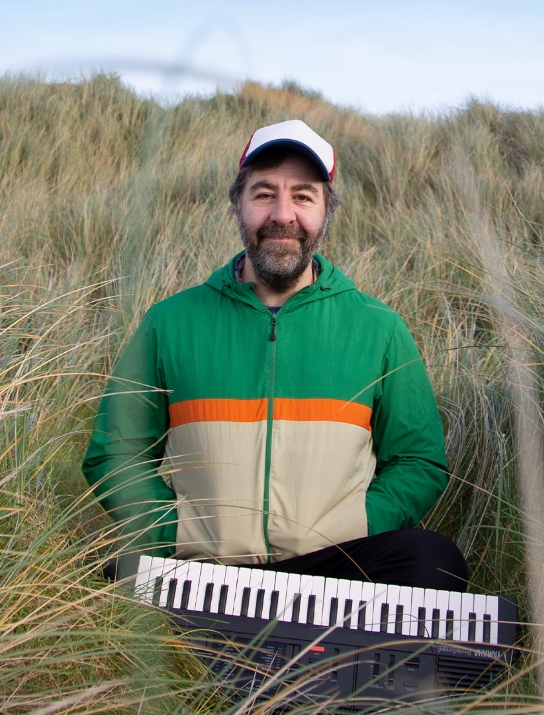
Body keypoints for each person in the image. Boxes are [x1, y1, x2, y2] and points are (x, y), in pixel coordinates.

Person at [83, 119, 467, 591]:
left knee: (436, 560)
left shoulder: (379, 328)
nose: (283, 214)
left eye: (303, 196)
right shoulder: (169, 322)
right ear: (238, 206)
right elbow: (116, 452)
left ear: (326, 212)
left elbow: (417, 460)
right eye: (264, 194)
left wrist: (360, 525)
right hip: (203, 568)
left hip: (331, 567)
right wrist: (168, 534)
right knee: (115, 577)